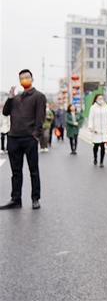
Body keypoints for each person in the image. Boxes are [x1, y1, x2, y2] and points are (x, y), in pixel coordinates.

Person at [1, 69, 47, 210]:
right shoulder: (16, 98)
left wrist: (35, 135)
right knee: (16, 172)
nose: (24, 80)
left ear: (32, 79)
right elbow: (5, 112)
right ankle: (16, 199)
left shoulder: (39, 96)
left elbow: (40, 118)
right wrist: (9, 97)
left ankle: (35, 198)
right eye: (21, 78)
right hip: (14, 138)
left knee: (33, 170)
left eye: (27, 77)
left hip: (29, 138)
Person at [87, 94, 107, 167]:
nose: (101, 99)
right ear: (96, 99)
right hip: (96, 130)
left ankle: (101, 161)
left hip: (104, 130)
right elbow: (91, 118)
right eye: (99, 98)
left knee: (103, 146)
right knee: (96, 145)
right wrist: (91, 127)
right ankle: (95, 158)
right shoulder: (93, 107)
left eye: (102, 98)